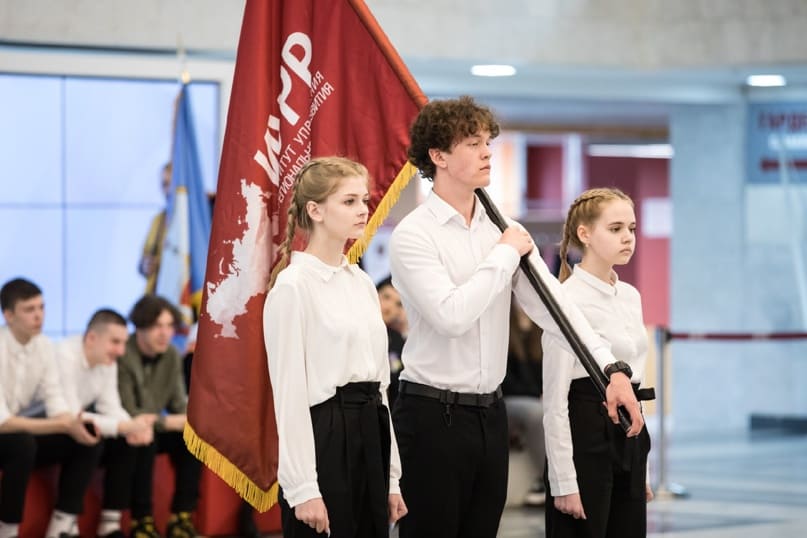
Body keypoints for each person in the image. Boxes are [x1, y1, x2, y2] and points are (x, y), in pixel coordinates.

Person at [388, 96, 643, 538]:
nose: (487, 152)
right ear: (439, 156)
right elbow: (452, 316)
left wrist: (611, 370)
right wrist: (505, 253)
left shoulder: (501, 226)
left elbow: (557, 309)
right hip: (431, 414)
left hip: (491, 413)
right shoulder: (415, 234)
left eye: (488, 142)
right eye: (473, 144)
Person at [263, 156, 407, 538]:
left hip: (370, 431)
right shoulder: (293, 287)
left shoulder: (362, 282)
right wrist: (303, 488)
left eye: (364, 200)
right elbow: (289, 395)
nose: (363, 210)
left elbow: (382, 387)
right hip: (325, 435)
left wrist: (392, 478)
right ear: (315, 210)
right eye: (349, 201)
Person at [542, 188, 654, 538]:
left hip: (629, 434)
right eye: (615, 228)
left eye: (631, 228)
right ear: (585, 234)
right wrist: (563, 481)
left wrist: (642, 466)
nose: (627, 237)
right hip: (586, 432)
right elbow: (555, 402)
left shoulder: (630, 296)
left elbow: (636, 380)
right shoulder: (566, 298)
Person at [0, 278, 101, 538]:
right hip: (7, 433)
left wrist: (72, 423)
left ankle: (62, 525)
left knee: (86, 433)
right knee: (21, 443)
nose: (39, 316)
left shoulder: (44, 346)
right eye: (29, 309)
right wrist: (63, 424)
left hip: (17, 435)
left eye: (41, 307)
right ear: (8, 315)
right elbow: (3, 422)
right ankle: (8, 531)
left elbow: (55, 401)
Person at [55, 308, 158, 538]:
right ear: (92, 338)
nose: (121, 351)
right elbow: (71, 416)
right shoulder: (64, 355)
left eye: (123, 343)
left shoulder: (108, 362)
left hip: (71, 424)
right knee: (90, 437)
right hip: (45, 424)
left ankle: (110, 523)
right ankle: (63, 526)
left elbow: (111, 406)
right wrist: (124, 427)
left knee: (128, 441)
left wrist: (133, 428)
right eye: (115, 342)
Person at [117, 294, 202, 537]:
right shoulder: (124, 353)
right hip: (124, 430)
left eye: (169, 326)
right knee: (146, 438)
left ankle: (181, 517)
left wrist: (166, 420)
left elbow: (180, 406)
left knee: (192, 438)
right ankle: (141, 520)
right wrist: (161, 421)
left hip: (153, 424)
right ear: (140, 327)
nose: (165, 333)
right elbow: (130, 411)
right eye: (157, 326)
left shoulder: (172, 355)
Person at [502, 301, 545, 507]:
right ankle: (547, 479)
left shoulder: (540, 333)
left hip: (533, 400)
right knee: (537, 413)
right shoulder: (503, 331)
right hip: (507, 400)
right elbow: (506, 382)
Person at [139, 162, 172, 294]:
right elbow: (142, 262)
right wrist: (145, 265)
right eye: (164, 184)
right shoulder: (158, 221)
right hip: (156, 294)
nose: (167, 191)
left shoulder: (193, 222)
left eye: (171, 184)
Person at [375, 276, 407, 407]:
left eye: (398, 304)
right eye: (386, 297)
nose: (389, 307)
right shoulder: (354, 331)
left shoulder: (399, 342)